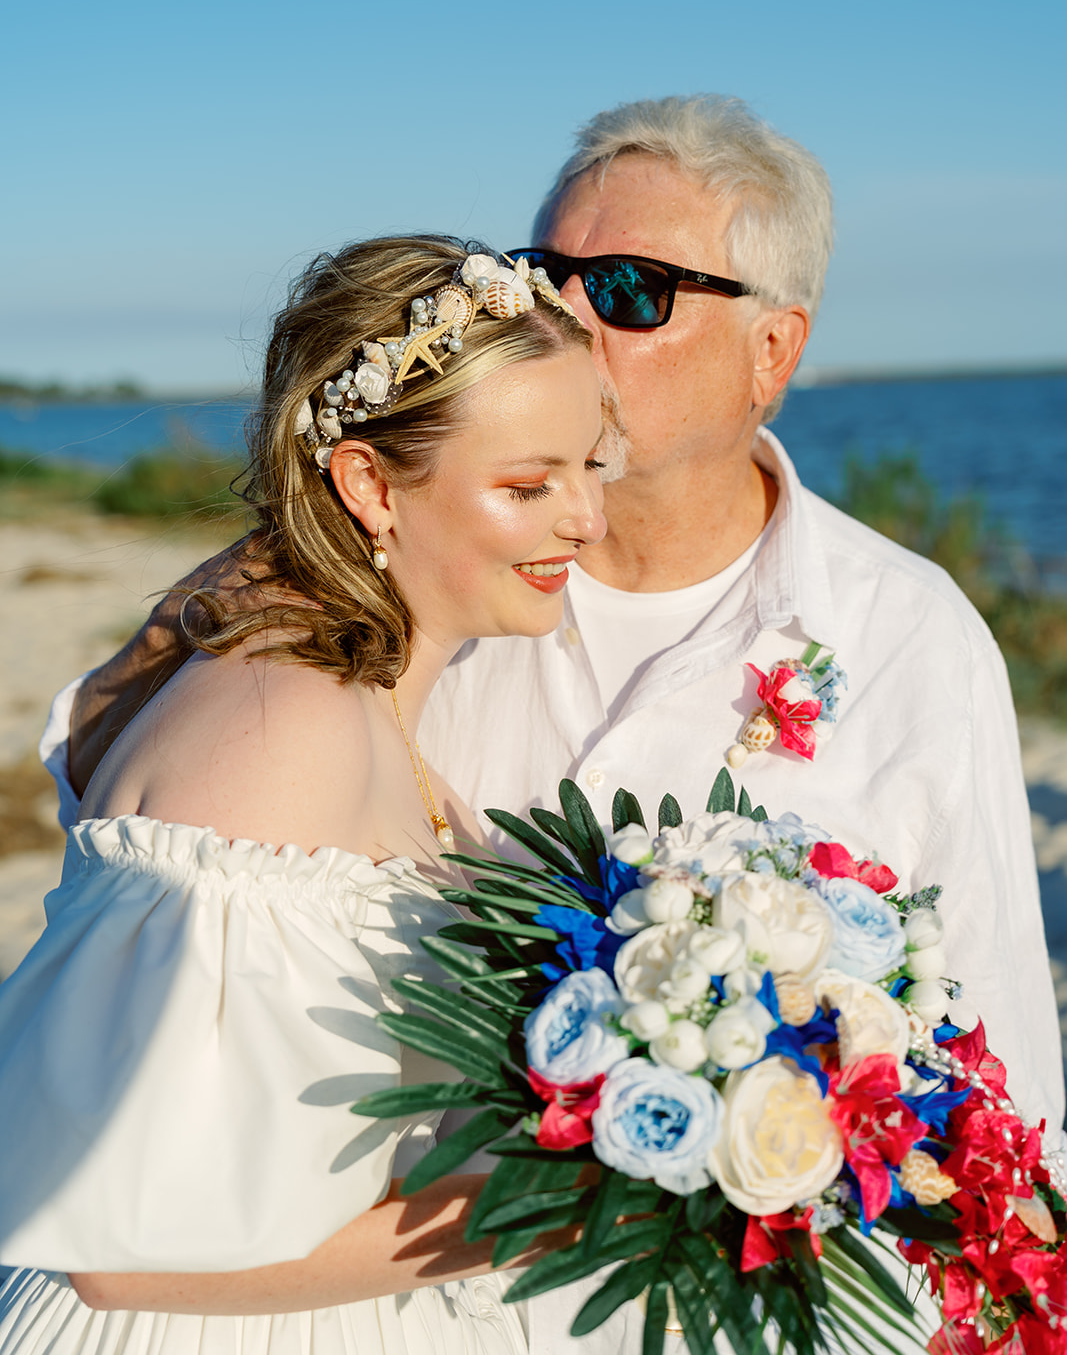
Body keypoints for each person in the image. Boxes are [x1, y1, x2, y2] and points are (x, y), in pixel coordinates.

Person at [55, 96, 1063, 1343]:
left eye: (634, 288)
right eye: (540, 276)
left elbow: (998, 1066)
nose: (570, 319)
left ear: (773, 350)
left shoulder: (910, 638)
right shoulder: (426, 573)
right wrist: (282, 555)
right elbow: (119, 777)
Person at [0, 234, 609, 1355]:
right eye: (528, 484)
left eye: (591, 466)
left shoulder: (353, 690)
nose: (585, 521)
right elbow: (125, 1247)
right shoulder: (291, 724)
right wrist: (571, 1198)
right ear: (370, 483)